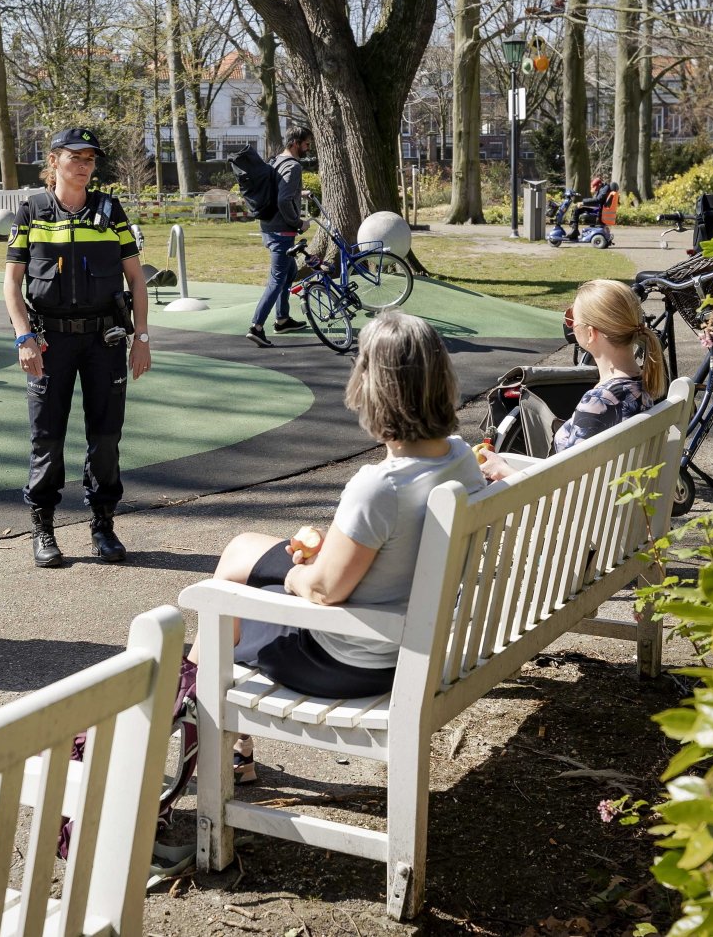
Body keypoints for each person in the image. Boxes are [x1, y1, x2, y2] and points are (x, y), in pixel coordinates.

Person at [187, 311, 480, 781]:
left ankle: (204, 742)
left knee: (223, 605)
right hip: (417, 645)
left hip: (349, 660)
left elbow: (325, 592)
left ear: (374, 386)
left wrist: (294, 574)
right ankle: (226, 746)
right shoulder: (461, 460)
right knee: (241, 550)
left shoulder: (380, 486)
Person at [3, 127, 152, 568]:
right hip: (50, 342)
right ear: (54, 162)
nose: (84, 165)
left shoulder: (110, 210)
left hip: (104, 340)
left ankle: (103, 526)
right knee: (46, 436)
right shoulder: (32, 210)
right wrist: (23, 337)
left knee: (105, 438)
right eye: (75, 157)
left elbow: (136, 279)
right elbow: (12, 283)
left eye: (90, 158)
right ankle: (44, 528)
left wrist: (141, 338)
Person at [479, 278, 667, 482]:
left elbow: (559, 490)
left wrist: (504, 470)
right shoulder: (644, 387)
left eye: (572, 321)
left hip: (579, 510)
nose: (570, 326)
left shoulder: (599, 402)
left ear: (590, 333)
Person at [245, 127, 312, 347]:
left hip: (268, 227)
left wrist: (299, 192)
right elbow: (283, 200)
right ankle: (256, 327)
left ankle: (282, 319)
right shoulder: (293, 166)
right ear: (295, 143)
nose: (308, 148)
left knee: (290, 271)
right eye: (306, 144)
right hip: (282, 231)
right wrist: (298, 222)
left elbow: (279, 191)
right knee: (276, 280)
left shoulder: (276, 161)